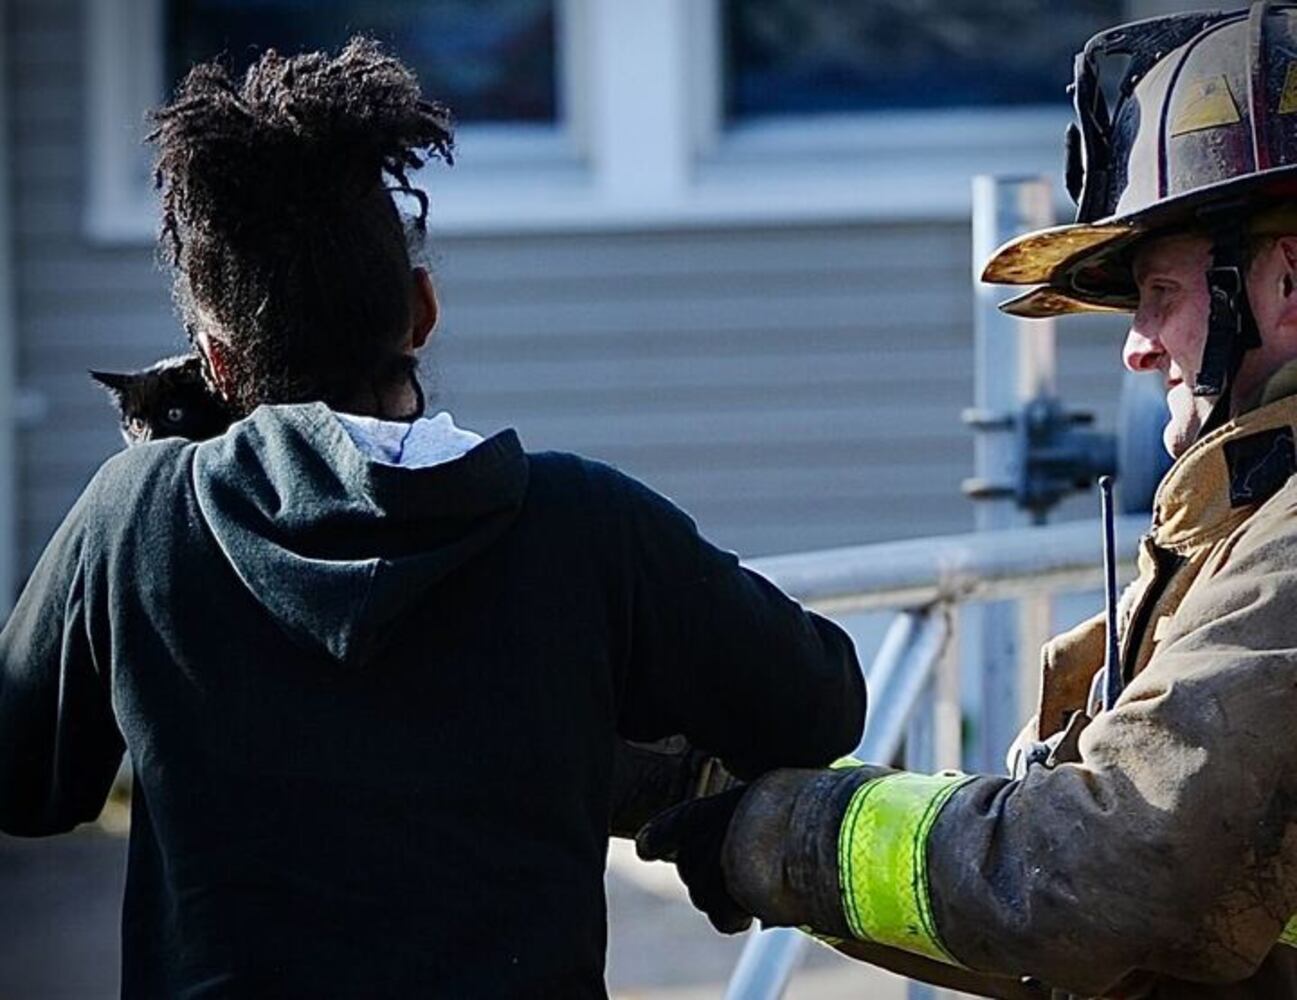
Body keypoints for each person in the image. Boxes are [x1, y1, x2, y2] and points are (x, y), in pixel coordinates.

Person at [0, 39, 865, 998]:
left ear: (215, 362)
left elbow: (21, 775)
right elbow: (817, 703)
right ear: (421, 309)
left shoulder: (138, 514)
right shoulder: (586, 525)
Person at [637, 5, 1297, 997]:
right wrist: (719, 798)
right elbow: (1060, 910)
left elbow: (1088, 876)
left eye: (1158, 290)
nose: (1135, 343)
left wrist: (771, 830)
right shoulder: (1243, 523)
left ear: (1285, 282)